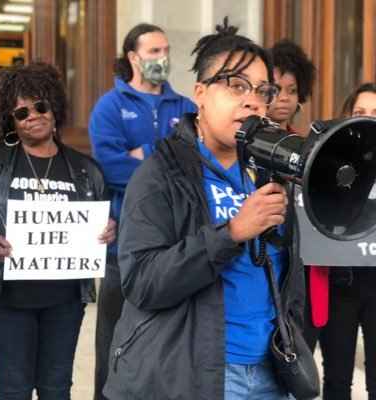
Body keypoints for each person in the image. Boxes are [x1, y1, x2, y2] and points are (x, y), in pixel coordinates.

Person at [103, 20, 305, 400]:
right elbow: (143, 282)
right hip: (196, 376)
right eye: (236, 85)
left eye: (263, 91)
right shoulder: (161, 173)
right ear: (200, 94)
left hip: (271, 375)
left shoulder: (266, 173)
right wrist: (232, 233)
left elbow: (288, 280)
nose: (252, 101)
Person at [0, 61, 116, 400]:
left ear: (54, 108)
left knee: (57, 388)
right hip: (7, 299)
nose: (34, 115)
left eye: (40, 106)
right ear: (10, 120)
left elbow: (102, 230)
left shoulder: (87, 171)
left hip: (65, 301)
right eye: (22, 112)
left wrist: (109, 232)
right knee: (13, 389)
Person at [88, 22, 196, 400]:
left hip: (176, 247)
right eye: (154, 51)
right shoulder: (109, 107)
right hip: (123, 250)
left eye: (166, 50)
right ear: (133, 57)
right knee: (113, 341)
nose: (163, 58)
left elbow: (197, 165)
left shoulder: (186, 107)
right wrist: (166, 158)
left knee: (169, 343)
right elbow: (109, 167)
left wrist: (144, 155)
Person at [267, 39, 327, 353]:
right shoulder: (238, 145)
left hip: (301, 274)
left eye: (292, 90)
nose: (284, 99)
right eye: (276, 89)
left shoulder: (308, 146)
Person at [321, 82, 376, 400]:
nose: (367, 118)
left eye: (374, 113)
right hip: (341, 280)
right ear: (347, 116)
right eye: (359, 112)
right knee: (337, 380)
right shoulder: (332, 160)